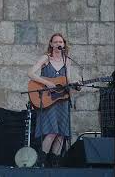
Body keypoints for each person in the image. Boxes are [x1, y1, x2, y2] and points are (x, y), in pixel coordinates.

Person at [28, 33, 81, 167]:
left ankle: (54, 163)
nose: (59, 44)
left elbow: (66, 80)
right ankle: (41, 162)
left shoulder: (66, 61)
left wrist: (74, 84)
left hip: (62, 99)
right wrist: (46, 82)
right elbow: (30, 73)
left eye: (61, 42)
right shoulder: (46, 58)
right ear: (51, 44)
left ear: (64, 45)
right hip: (48, 100)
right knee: (51, 132)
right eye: (56, 42)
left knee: (62, 133)